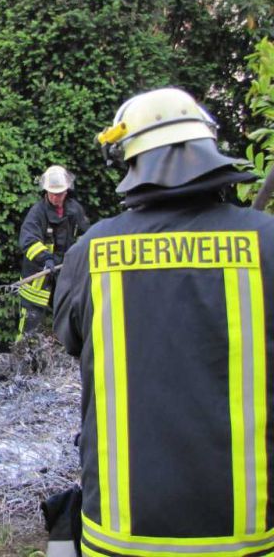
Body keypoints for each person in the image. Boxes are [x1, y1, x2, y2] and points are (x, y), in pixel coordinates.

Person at [52, 87, 274, 557]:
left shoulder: (92, 251)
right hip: (248, 537)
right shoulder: (267, 243)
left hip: (117, 535)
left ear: (132, 163)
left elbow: (72, 338)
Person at [16, 165, 89, 341]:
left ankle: (67, 355)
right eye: (53, 193)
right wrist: (46, 258)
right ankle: (23, 357)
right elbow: (28, 241)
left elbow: (86, 235)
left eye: (60, 193)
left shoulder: (74, 210)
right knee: (30, 322)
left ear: (67, 191)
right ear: (46, 191)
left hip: (65, 273)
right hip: (38, 276)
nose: (57, 197)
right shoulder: (37, 212)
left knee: (72, 314)